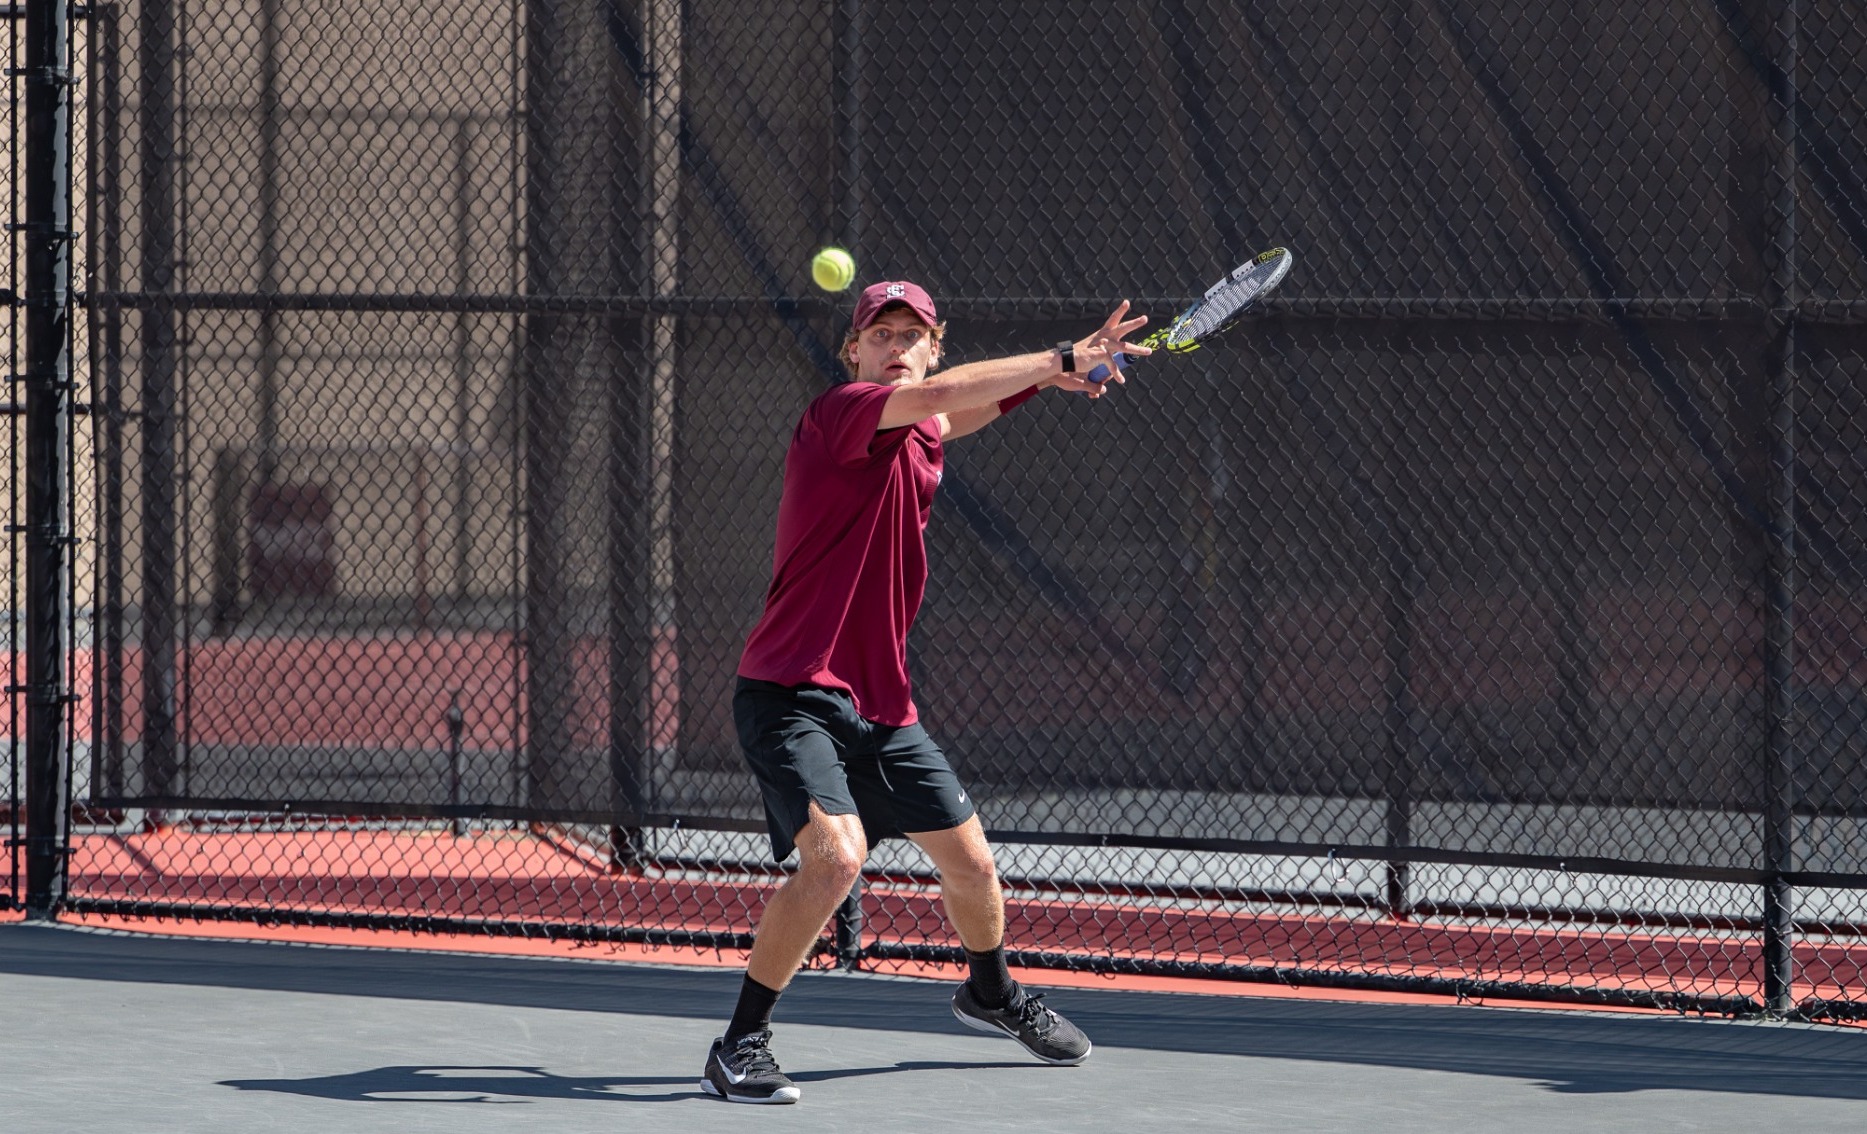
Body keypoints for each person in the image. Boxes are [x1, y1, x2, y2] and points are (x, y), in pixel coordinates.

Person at [700, 279, 1151, 1104]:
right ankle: (739, 1043)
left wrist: (1050, 381)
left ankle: (989, 992)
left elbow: (957, 412)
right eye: (881, 334)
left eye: (913, 333)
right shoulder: (840, 414)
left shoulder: (920, 433)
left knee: (973, 867)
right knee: (836, 858)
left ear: (934, 342)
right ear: (855, 353)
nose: (897, 345)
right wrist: (1058, 358)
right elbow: (943, 396)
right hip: (791, 690)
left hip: (879, 703)